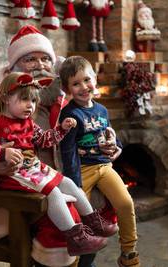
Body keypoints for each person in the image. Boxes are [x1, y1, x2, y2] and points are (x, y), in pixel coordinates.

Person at [0, 72, 118, 256]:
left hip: (34, 169)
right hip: (13, 175)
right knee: (53, 193)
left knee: (68, 183)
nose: (30, 106)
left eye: (34, 101)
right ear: (5, 97)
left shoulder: (28, 122)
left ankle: (93, 221)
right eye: (24, 100)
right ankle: (76, 238)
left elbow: (45, 140)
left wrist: (62, 129)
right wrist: (1, 152)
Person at [59, 56, 140, 267]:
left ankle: (129, 253)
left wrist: (117, 146)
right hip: (82, 169)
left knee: (125, 202)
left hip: (104, 166)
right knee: (77, 215)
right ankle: (74, 262)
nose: (83, 87)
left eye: (87, 80)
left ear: (95, 79)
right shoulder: (69, 115)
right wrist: (74, 183)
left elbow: (111, 134)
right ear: (67, 88)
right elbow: (67, 151)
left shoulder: (102, 110)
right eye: (75, 84)